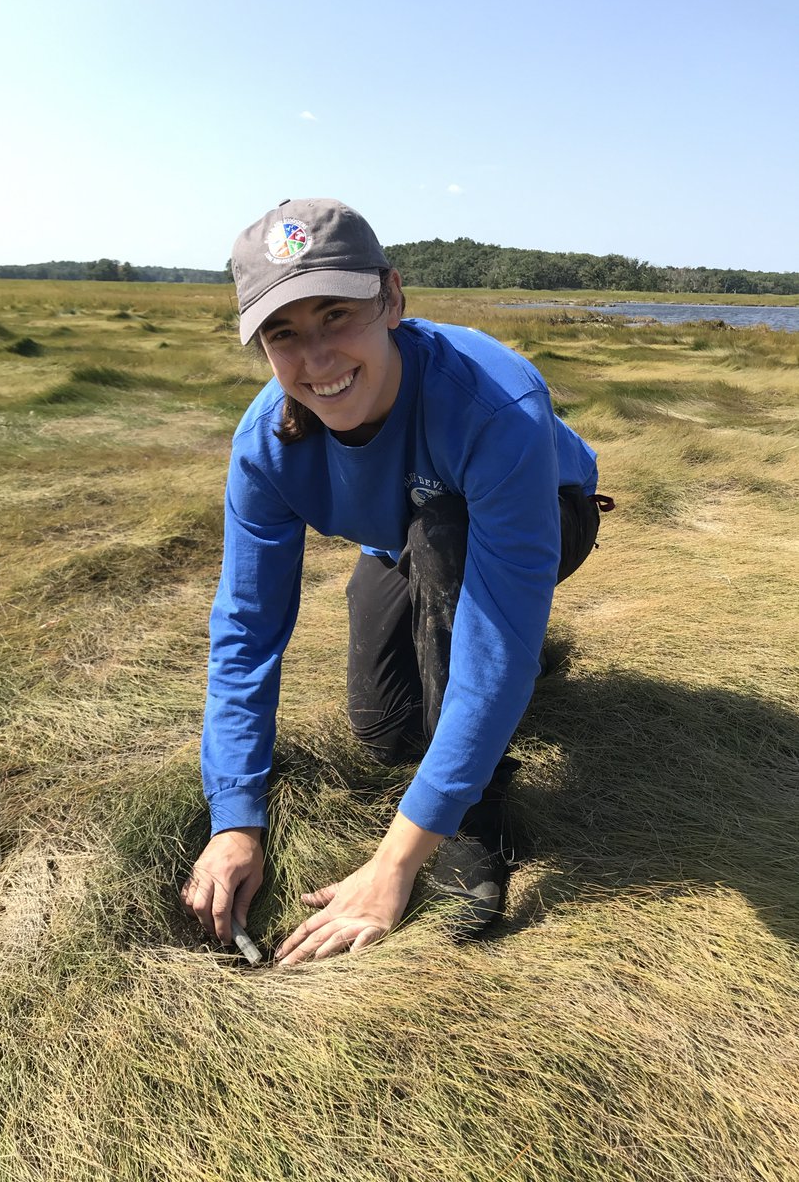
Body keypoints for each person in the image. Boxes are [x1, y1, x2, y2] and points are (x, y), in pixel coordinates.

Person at [180, 198, 610, 966]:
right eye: (284, 333)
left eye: (337, 314)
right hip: (400, 537)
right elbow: (245, 631)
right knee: (386, 731)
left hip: (547, 509)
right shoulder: (264, 448)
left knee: (453, 553)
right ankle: (497, 678)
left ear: (393, 298)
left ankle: (476, 819)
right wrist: (235, 820)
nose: (317, 360)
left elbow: (492, 638)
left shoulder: (494, 402)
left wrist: (395, 861)